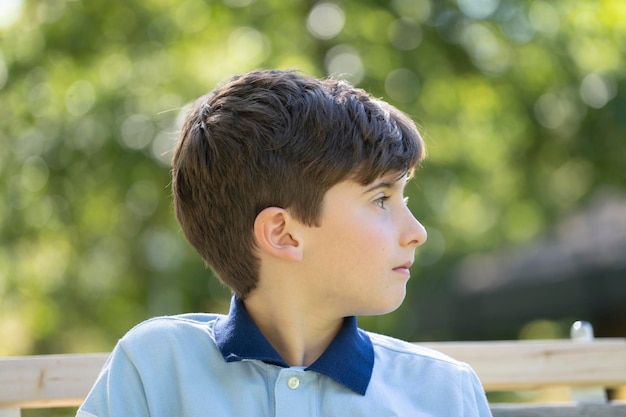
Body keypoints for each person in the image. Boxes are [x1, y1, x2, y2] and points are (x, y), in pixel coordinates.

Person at [77, 69, 492, 416]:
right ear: (283, 233)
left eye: (404, 198)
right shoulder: (154, 367)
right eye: (381, 199)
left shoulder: (444, 392)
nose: (417, 231)